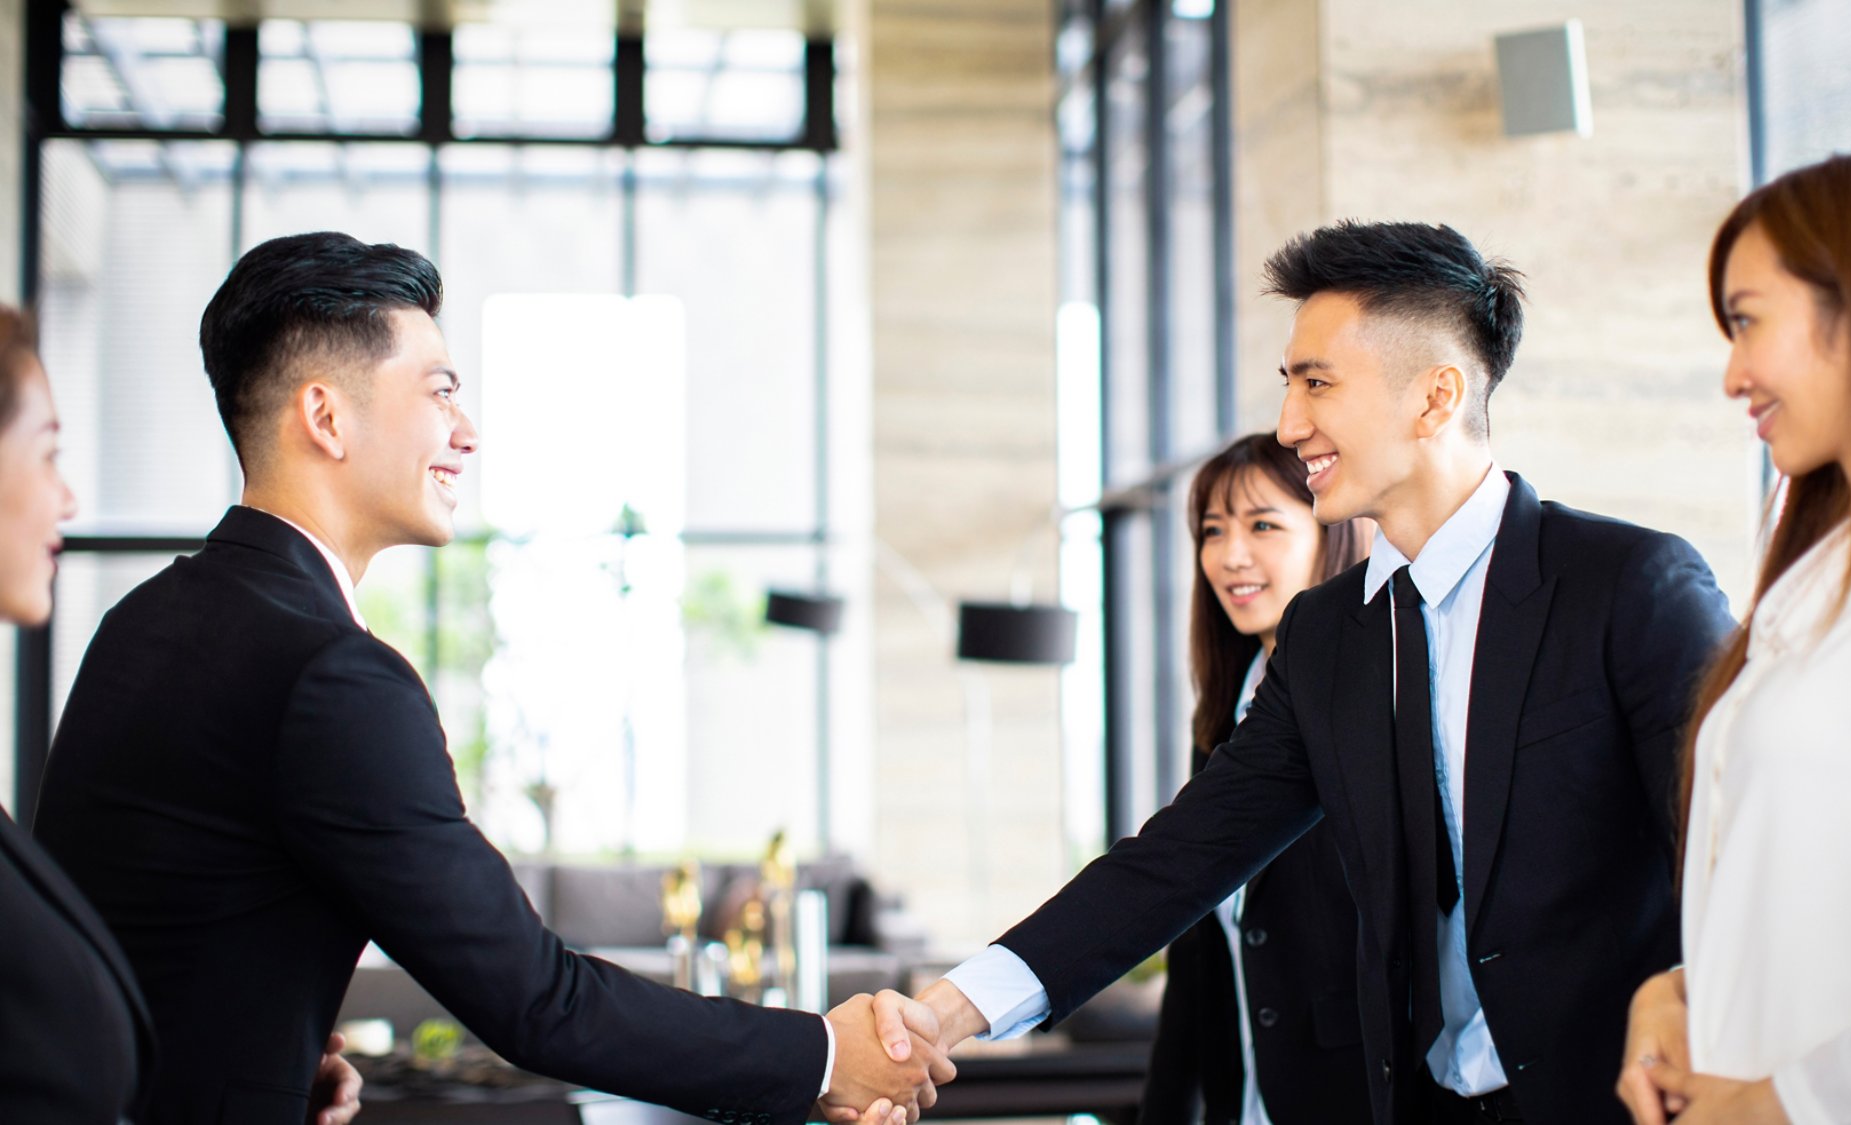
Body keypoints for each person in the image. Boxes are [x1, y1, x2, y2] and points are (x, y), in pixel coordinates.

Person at [31, 233, 940, 1125]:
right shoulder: (329, 674)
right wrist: (820, 1055)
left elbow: (120, 941)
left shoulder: (142, 623)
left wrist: (265, 1064)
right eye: (440, 393)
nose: (467, 434)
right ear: (325, 416)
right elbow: (533, 995)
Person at [850, 221, 1736, 1125]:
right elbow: (1180, 857)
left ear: (1436, 398)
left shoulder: (1630, 586)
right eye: (1289, 385)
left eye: (1318, 383)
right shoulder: (1329, 635)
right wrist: (945, 1012)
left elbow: (1739, 855)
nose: (1289, 424)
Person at [1616, 145, 1851, 1125]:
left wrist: (1792, 1100)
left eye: (1746, 322)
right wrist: (1678, 991)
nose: (1731, 374)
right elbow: (1826, 882)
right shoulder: (1833, 569)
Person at [0, 304, 364, 1125]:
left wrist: (260, 1071)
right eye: (47, 452)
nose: (66, 498)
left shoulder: (139, 623)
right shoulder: (302, 656)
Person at [1139, 432, 1374, 1125]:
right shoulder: (1222, 723)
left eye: (1263, 524)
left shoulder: (1374, 707)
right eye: (1212, 531)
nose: (1230, 555)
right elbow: (1196, 962)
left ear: (1330, 534)